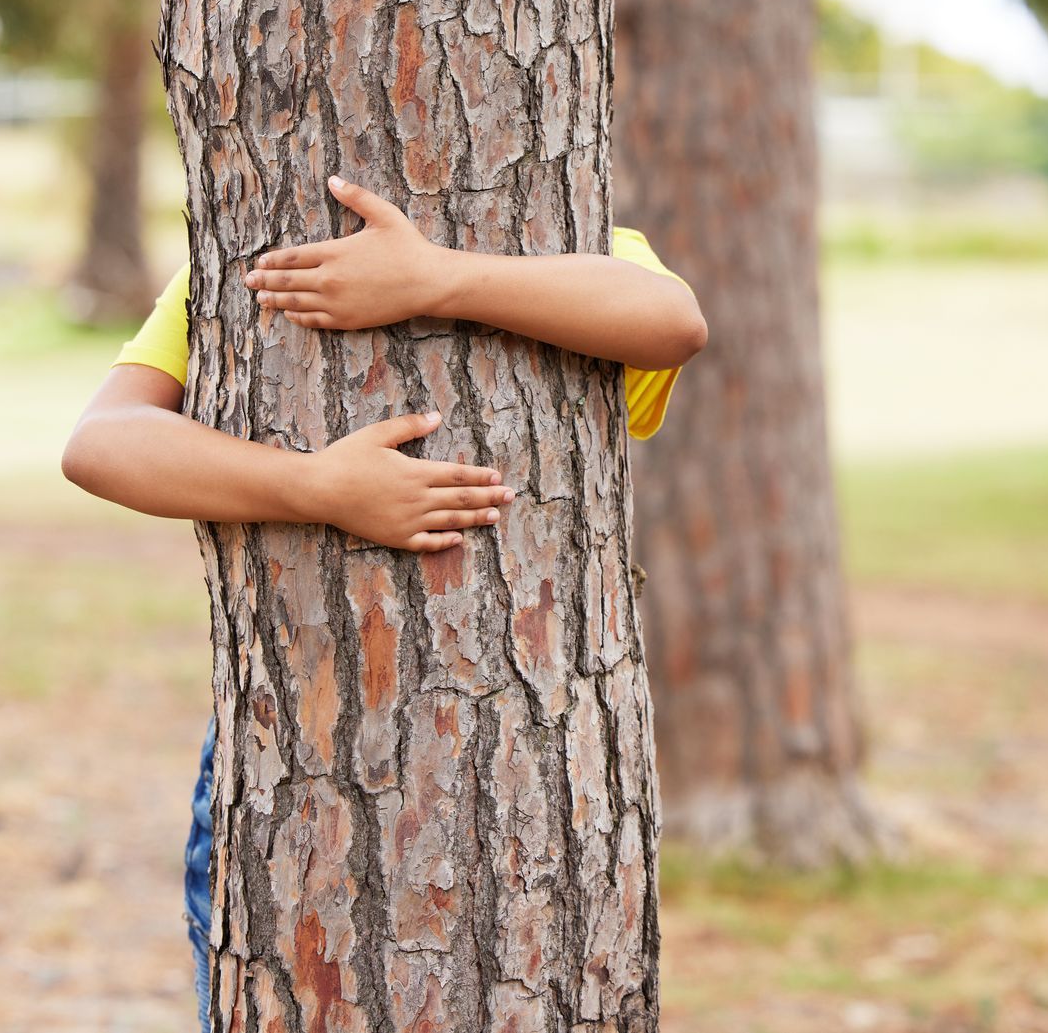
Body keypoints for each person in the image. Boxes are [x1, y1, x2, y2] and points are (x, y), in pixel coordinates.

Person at [62, 173, 708, 1028]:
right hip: (294, 759)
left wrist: (436, 275)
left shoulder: (575, 252)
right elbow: (100, 444)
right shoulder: (262, 264)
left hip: (532, 762)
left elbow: (675, 322)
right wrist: (316, 485)